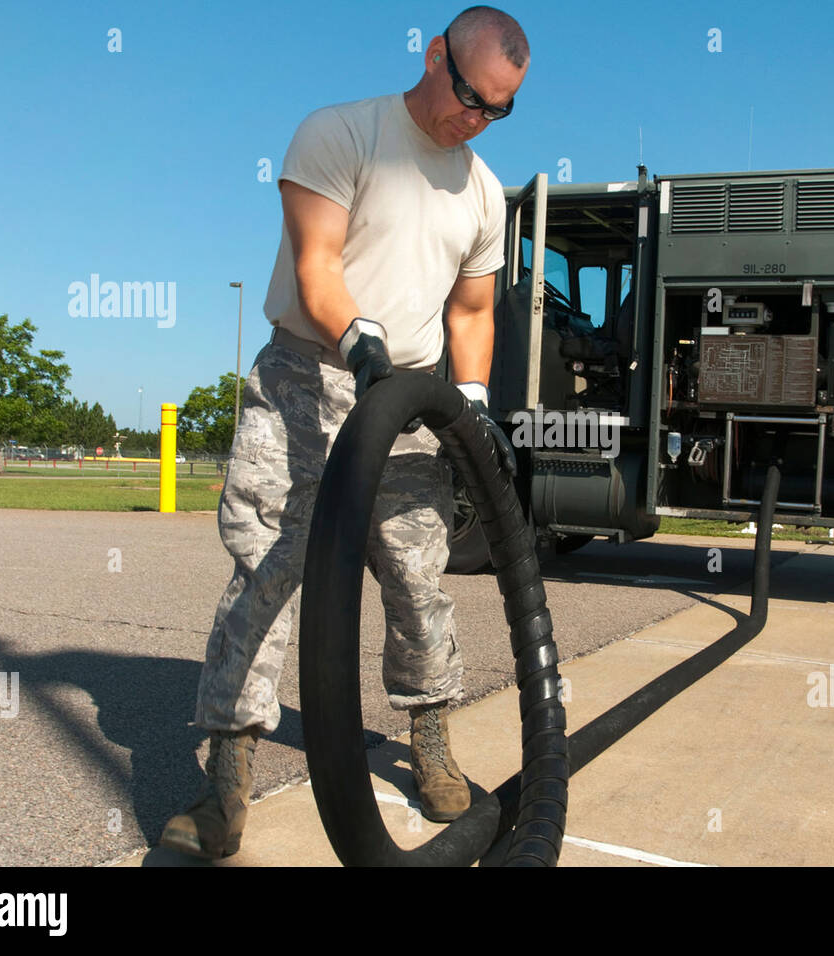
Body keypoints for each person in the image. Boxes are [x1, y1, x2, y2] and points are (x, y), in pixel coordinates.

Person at [159, 6, 529, 859]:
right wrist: (356, 337)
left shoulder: (479, 190)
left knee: (416, 581)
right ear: (435, 56)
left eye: (496, 109)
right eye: (468, 94)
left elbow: (473, 309)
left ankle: (431, 743)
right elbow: (317, 261)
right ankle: (226, 782)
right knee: (266, 571)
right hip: (305, 379)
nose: (473, 117)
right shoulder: (339, 133)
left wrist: (470, 398)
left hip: (407, 403)